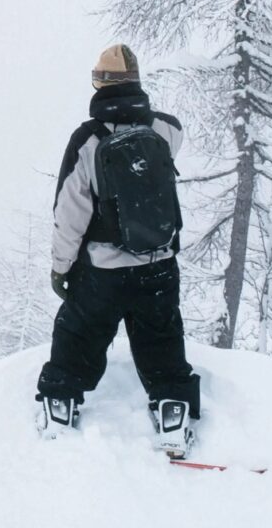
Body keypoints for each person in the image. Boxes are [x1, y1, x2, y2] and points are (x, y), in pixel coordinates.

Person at [36, 44, 200, 458]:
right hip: (158, 262)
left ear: (99, 83)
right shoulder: (166, 129)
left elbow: (69, 213)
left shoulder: (87, 140)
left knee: (78, 333)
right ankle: (173, 413)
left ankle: (60, 406)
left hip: (102, 269)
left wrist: (61, 268)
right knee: (161, 338)